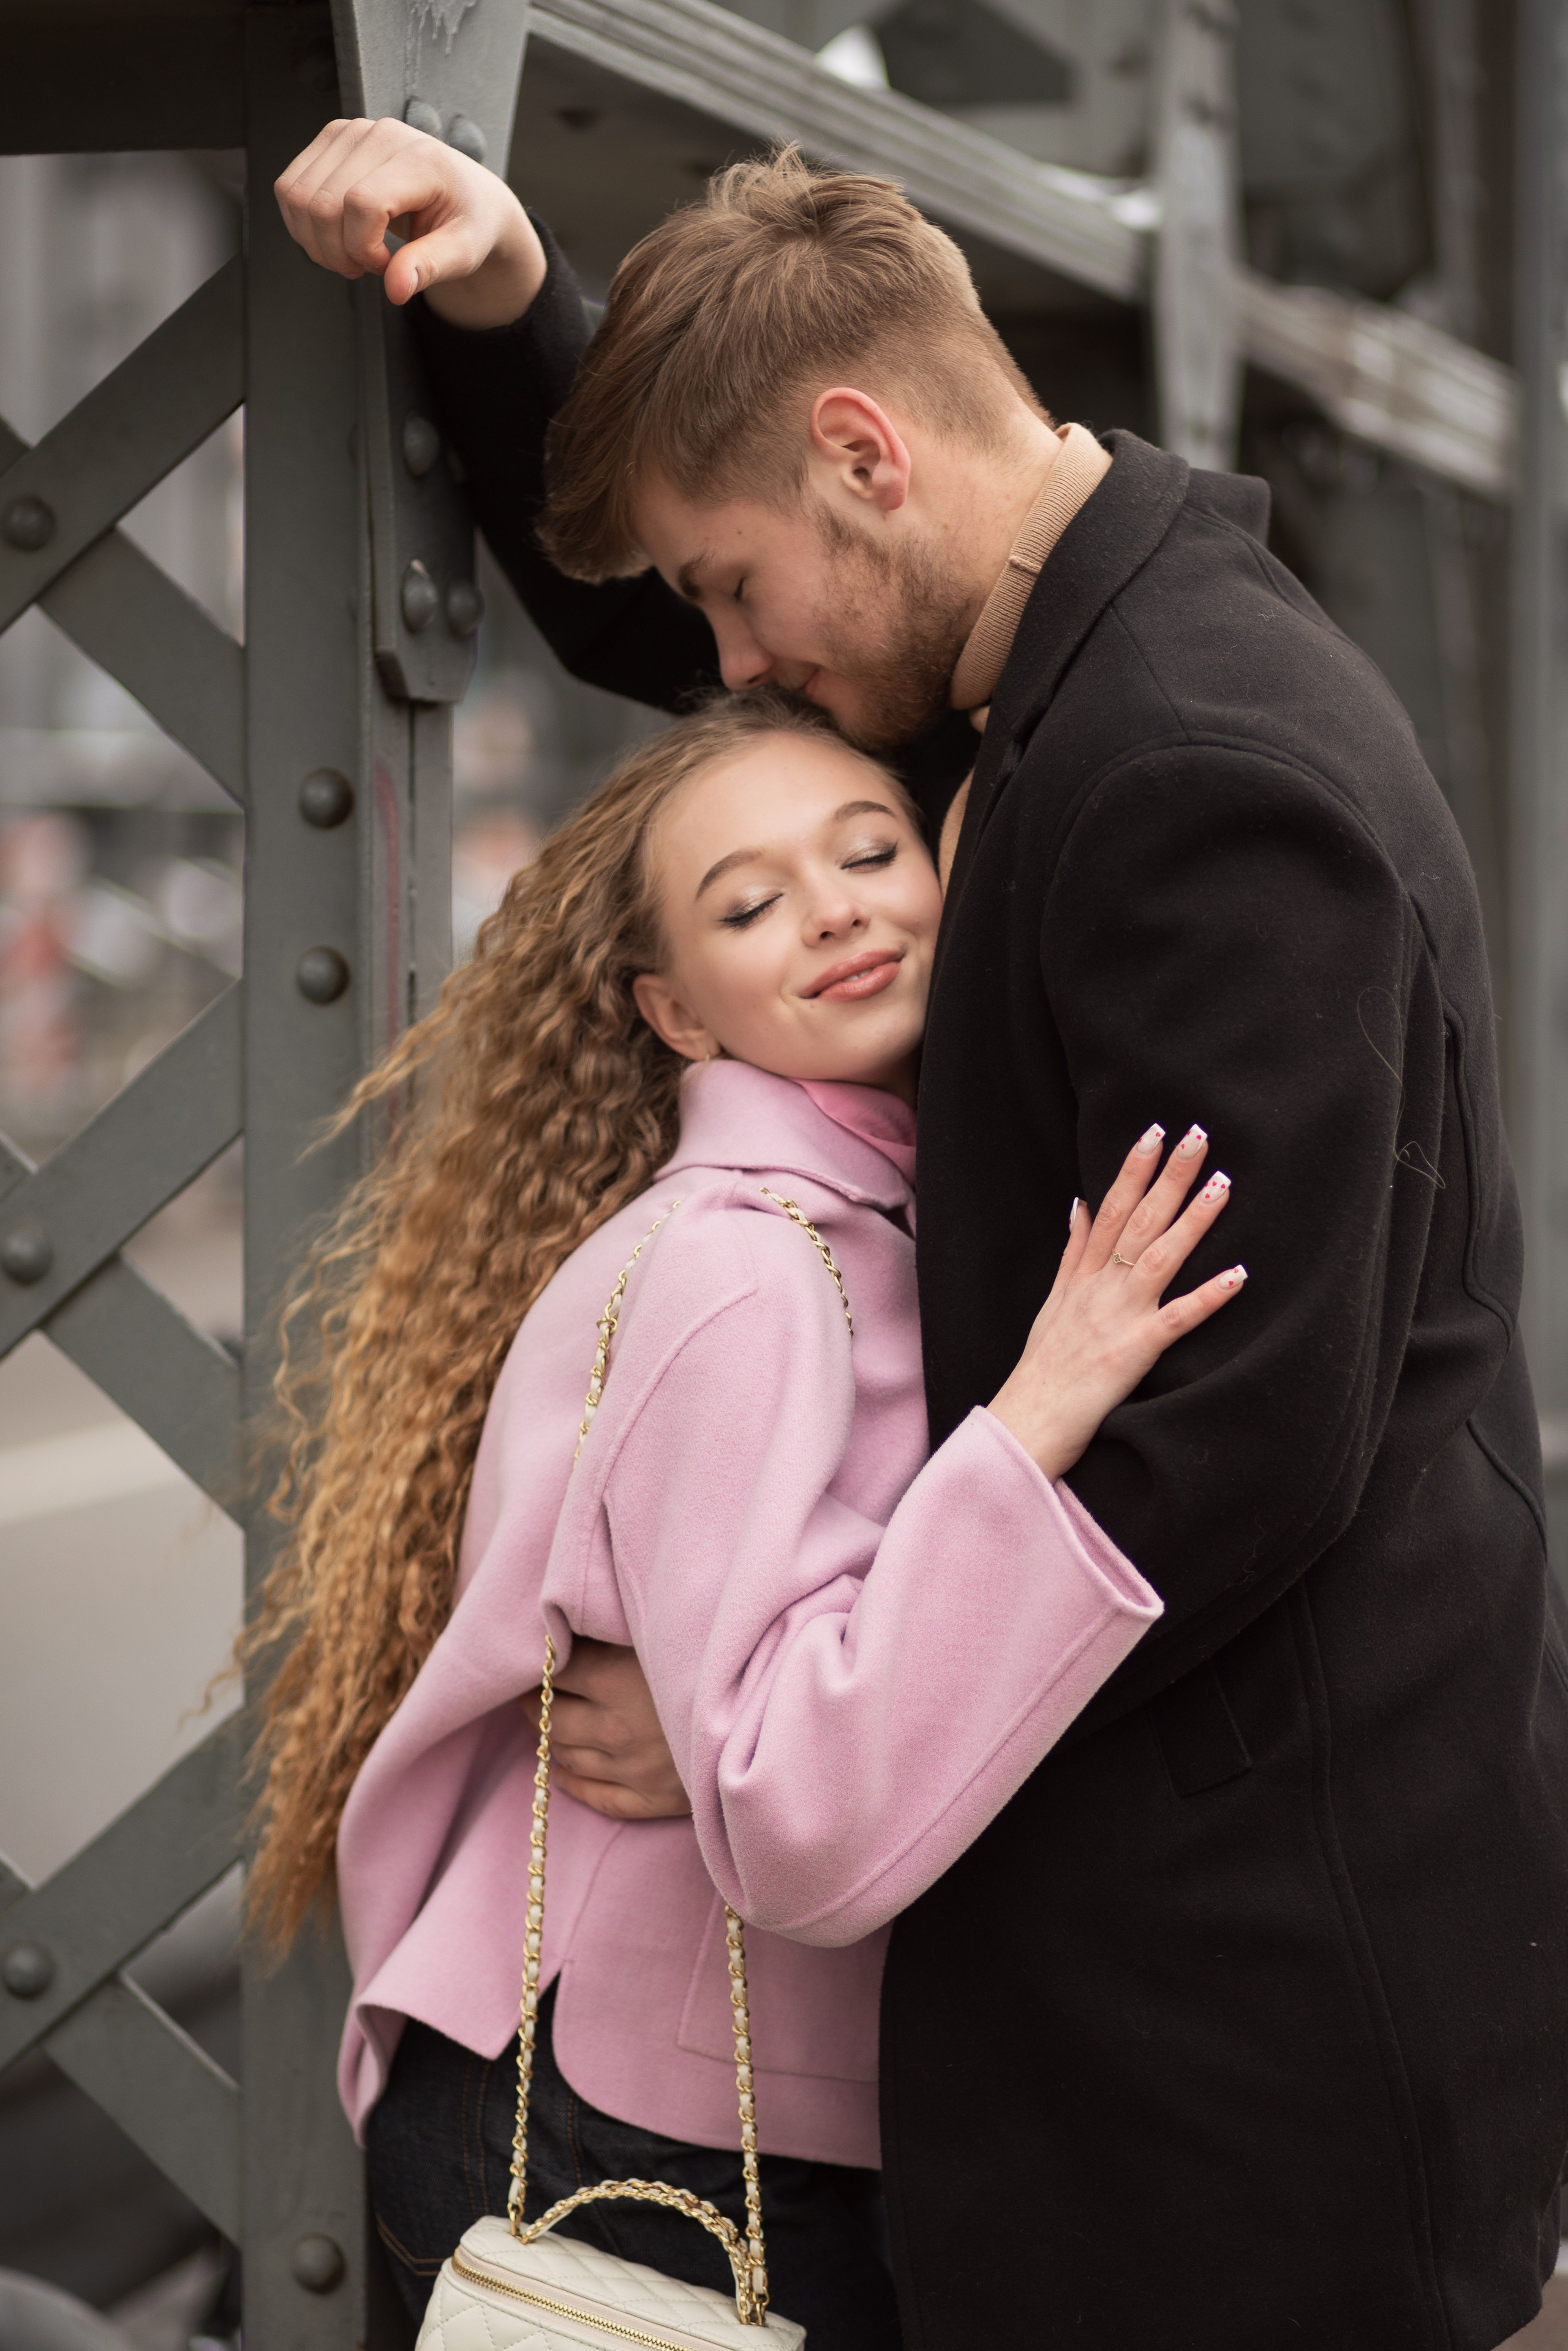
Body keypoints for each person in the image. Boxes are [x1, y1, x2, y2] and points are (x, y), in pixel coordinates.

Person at [274, 125, 1568, 2350]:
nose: (728, 652)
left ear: (864, 454)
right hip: (1222, 1940)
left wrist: (786, 1731)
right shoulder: (1075, 652)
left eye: (736, 589)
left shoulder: (1182, 773)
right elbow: (725, 655)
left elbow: (1220, 1441)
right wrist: (507, 301)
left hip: (1246, 1989)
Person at [246, 692, 1243, 2345]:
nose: (835, 907)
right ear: (677, 1013)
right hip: (631, 2135)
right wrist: (1047, 1409)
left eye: (869, 851)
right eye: (748, 901)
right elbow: (802, 1814)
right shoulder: (746, 1272)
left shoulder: (873, 1223)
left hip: (696, 2100)